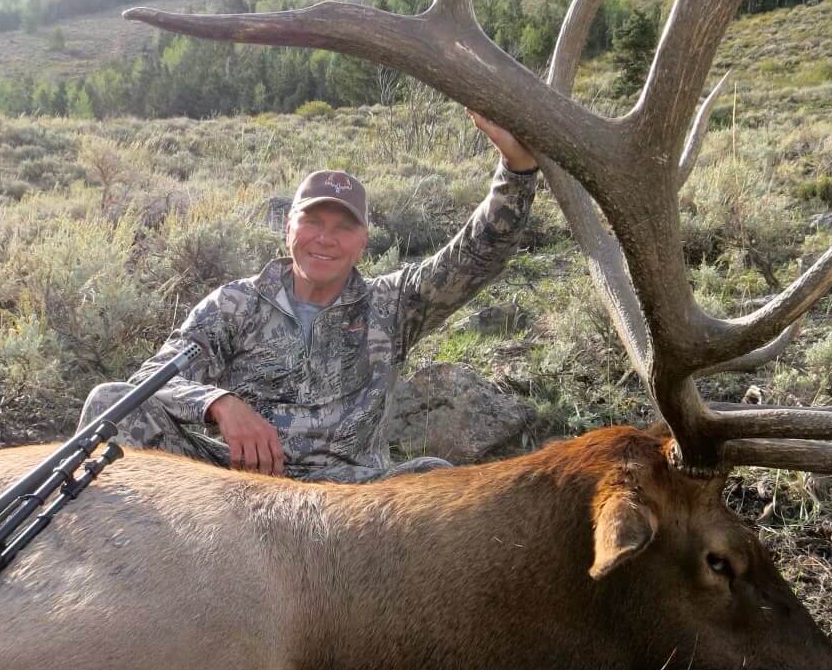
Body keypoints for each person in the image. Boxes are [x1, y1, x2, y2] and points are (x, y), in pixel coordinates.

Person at [78, 112, 537, 482]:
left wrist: (516, 171)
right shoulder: (236, 303)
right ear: (288, 229)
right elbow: (152, 380)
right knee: (109, 405)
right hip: (237, 482)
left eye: (343, 227)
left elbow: (476, 256)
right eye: (313, 222)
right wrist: (219, 403)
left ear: (364, 242)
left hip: (346, 497)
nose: (325, 239)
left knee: (433, 480)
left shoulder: (392, 305)